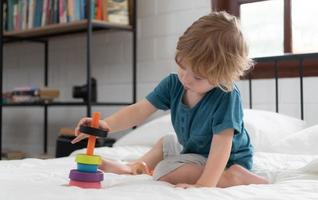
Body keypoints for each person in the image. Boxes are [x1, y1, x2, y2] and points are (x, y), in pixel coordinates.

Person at [71, 11, 269, 188]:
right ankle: (134, 167)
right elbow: (139, 110)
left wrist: (205, 184)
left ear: (223, 76)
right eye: (182, 66)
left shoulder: (226, 95)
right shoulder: (174, 84)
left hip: (225, 162)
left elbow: (221, 146)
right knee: (166, 142)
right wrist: (105, 125)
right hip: (195, 152)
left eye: (198, 76)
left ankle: (234, 178)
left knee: (163, 170)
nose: (186, 78)